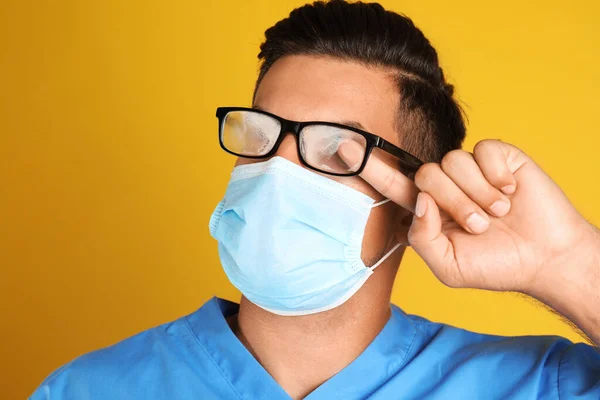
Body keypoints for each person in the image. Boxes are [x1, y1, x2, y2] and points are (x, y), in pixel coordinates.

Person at [31, 1, 600, 399]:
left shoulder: (537, 387)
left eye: (335, 151)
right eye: (261, 133)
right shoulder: (84, 390)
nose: (277, 168)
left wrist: (567, 265)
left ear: (412, 204)